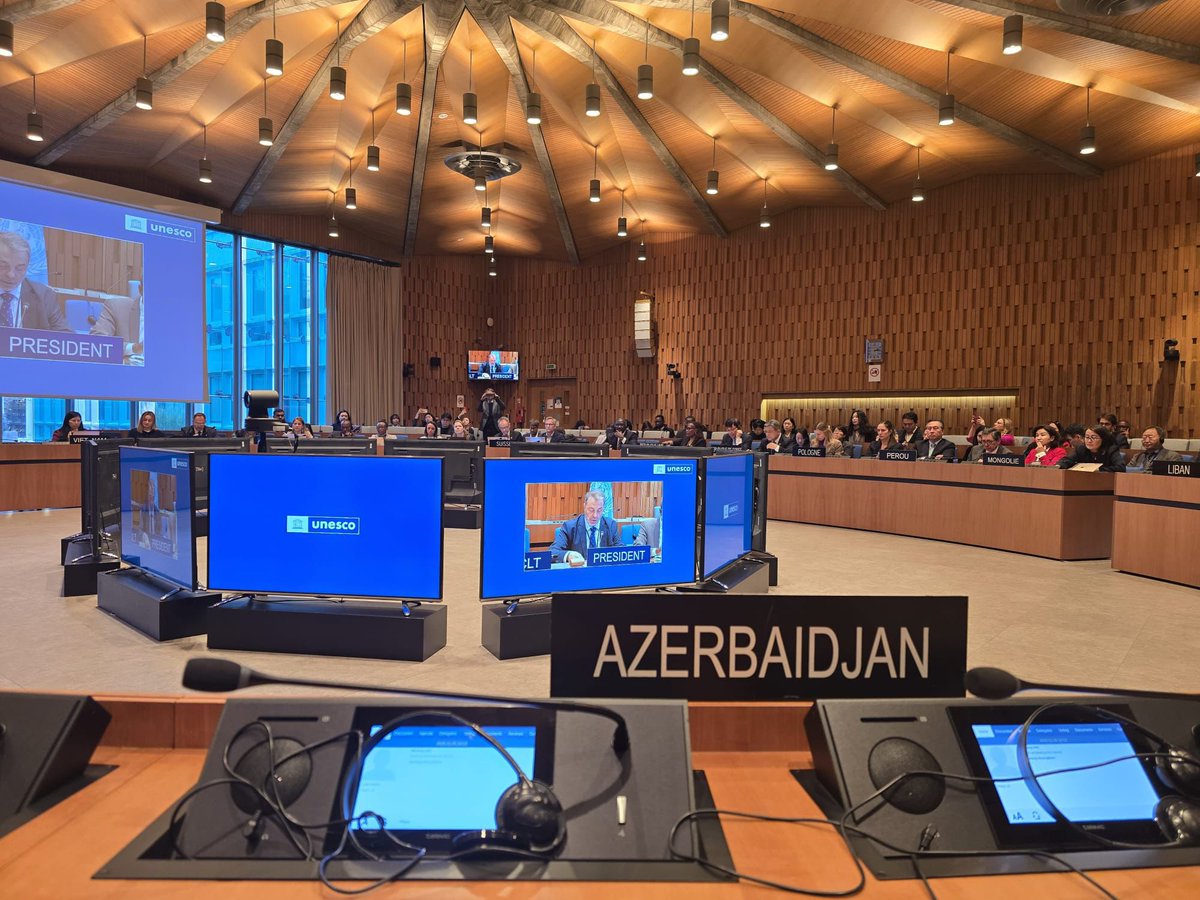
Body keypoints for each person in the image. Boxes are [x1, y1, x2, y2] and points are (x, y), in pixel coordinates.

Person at [0, 231, 69, 332]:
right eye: (3, 266)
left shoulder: (44, 296)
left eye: (19, 268)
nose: (11, 275)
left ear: (27, 266)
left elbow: (66, 337)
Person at [549, 489, 621, 565]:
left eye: (599, 510)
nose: (595, 515)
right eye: (591, 510)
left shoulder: (611, 525)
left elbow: (622, 550)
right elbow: (552, 552)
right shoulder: (569, 527)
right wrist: (568, 555)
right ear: (584, 507)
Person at [1059, 427, 1126, 472]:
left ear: (1103, 439)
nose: (1089, 441)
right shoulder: (1081, 448)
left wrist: (1098, 469)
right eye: (1087, 437)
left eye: (1093, 437)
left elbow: (1121, 467)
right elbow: (1066, 460)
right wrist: (1059, 466)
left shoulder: (1111, 450)